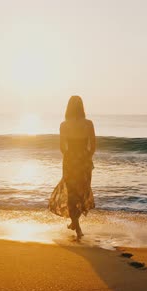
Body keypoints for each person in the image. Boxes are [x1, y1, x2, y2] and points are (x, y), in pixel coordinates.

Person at [49, 95, 96, 239]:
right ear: (82, 107)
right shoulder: (88, 123)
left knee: (71, 192)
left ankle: (76, 225)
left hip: (70, 160)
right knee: (83, 190)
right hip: (84, 160)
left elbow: (62, 147)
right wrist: (86, 157)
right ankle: (77, 225)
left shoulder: (64, 125)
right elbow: (93, 146)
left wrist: (69, 156)